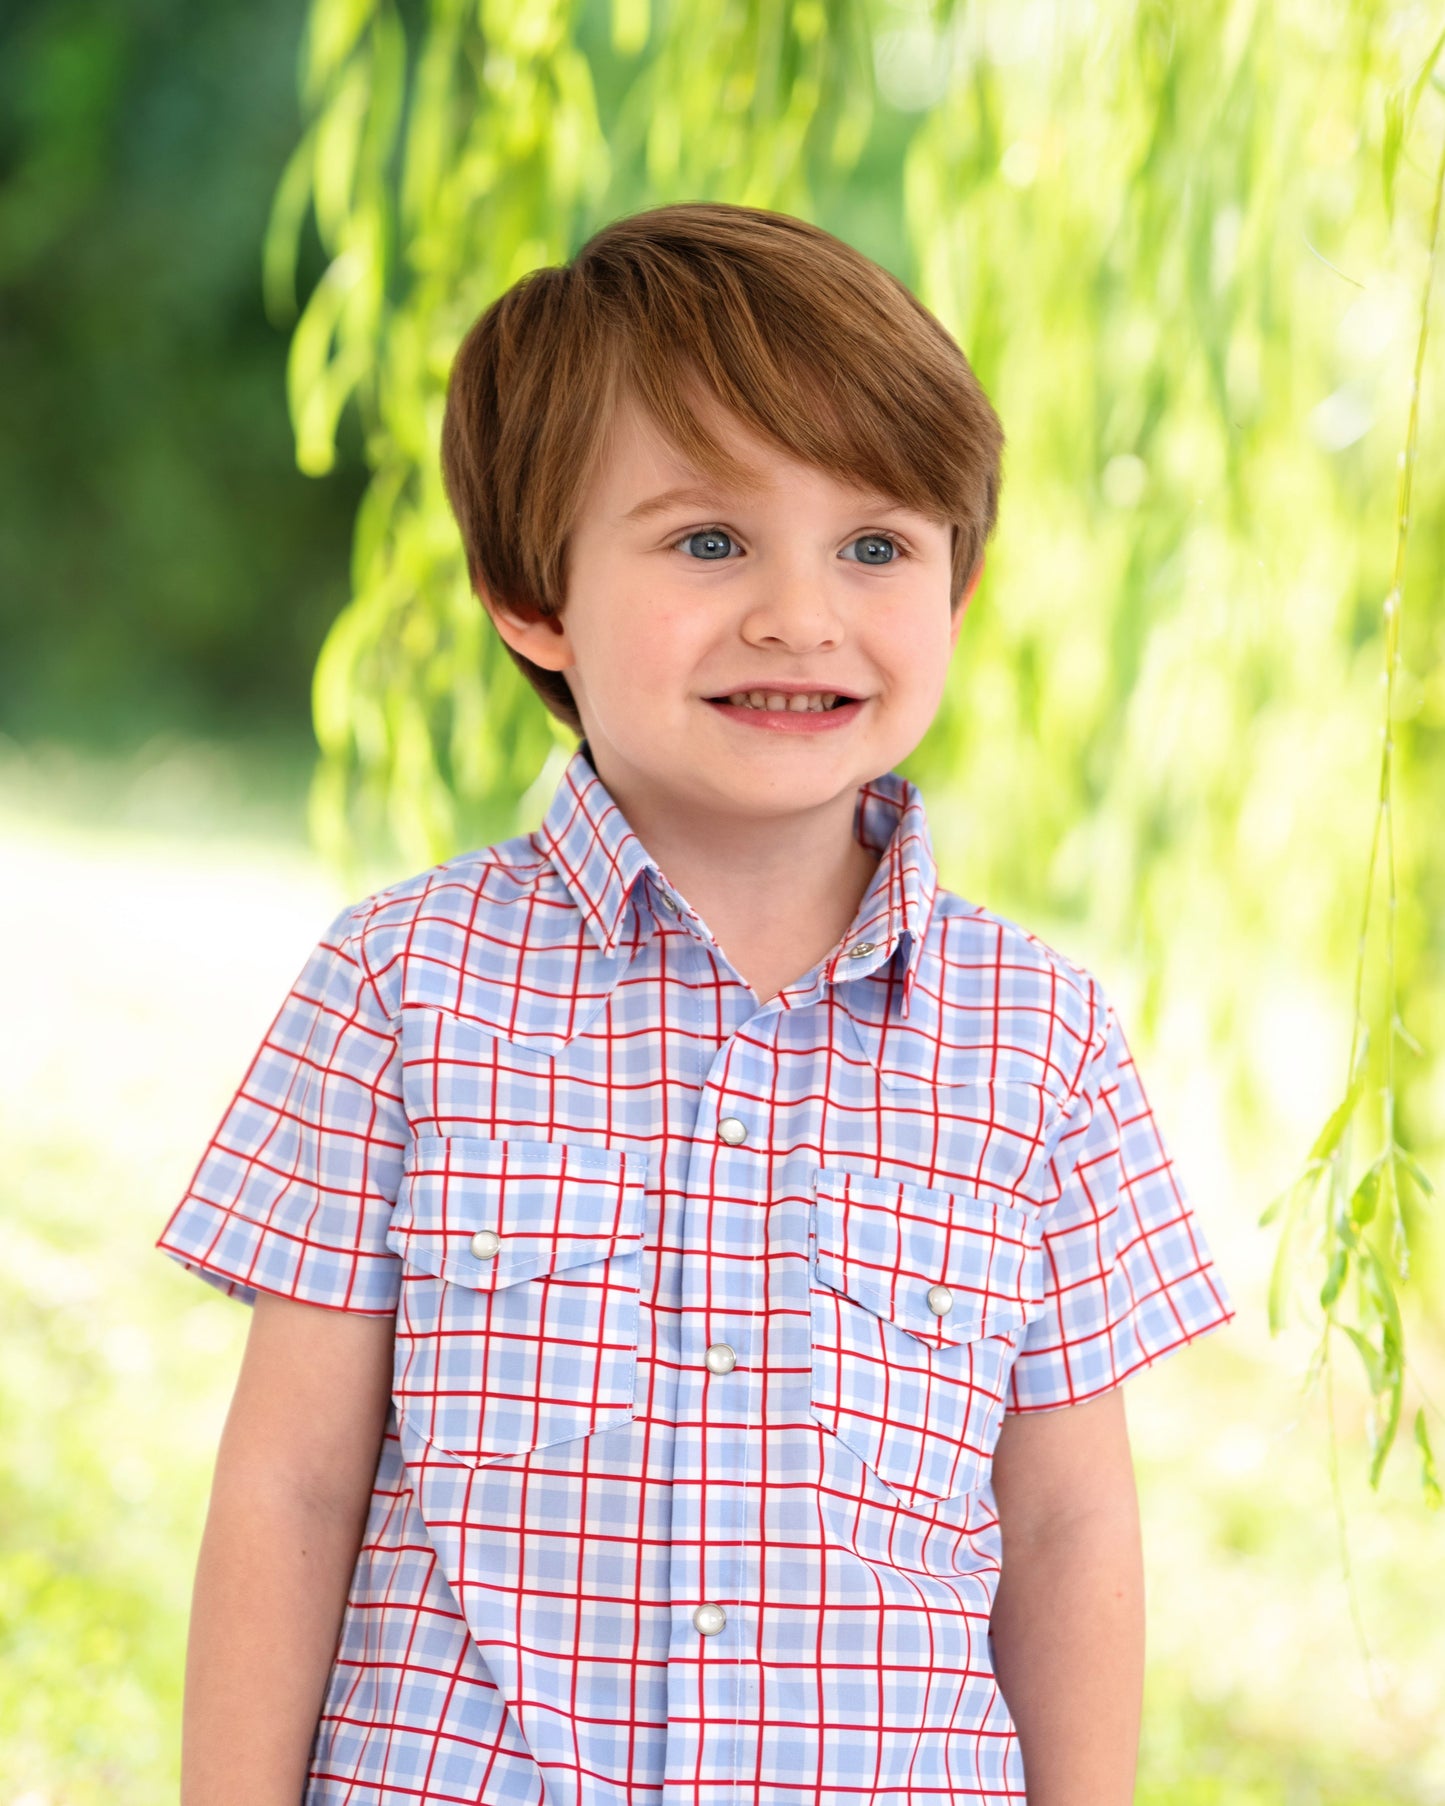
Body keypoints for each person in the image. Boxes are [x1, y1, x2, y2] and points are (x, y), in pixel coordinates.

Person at [158, 200, 1236, 1806]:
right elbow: (292, 1485)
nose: (798, 613)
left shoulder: (1039, 1040)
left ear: (955, 587)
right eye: (708, 539)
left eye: (874, 545)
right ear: (534, 596)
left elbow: (1071, 1522)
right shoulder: (401, 987)